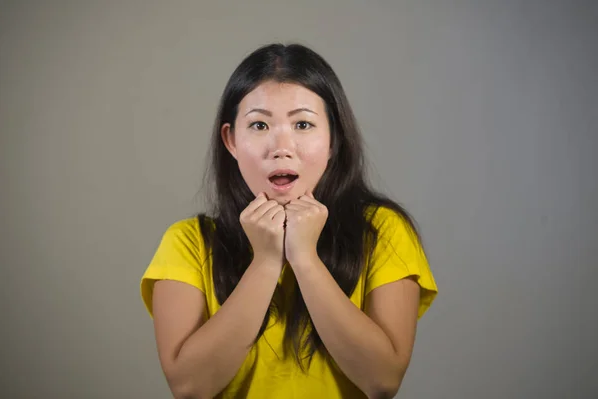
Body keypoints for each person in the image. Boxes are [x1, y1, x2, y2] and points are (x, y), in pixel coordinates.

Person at [140, 43, 438, 399]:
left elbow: (383, 380)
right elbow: (189, 388)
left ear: (333, 140)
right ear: (231, 140)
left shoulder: (383, 230)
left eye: (302, 124)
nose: (282, 147)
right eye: (260, 125)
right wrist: (265, 262)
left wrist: (305, 259)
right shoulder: (187, 242)